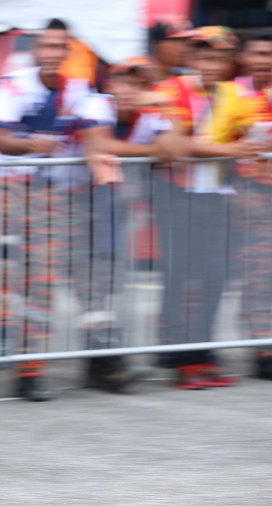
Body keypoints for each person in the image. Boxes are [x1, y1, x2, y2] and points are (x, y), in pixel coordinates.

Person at [0, 18, 100, 400]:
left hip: (57, 200)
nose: (51, 53)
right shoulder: (12, 84)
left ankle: (32, 369)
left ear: (68, 52)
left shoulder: (79, 89)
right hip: (7, 193)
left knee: (44, 283)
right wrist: (33, 145)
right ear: (35, 50)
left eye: (59, 47)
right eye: (46, 46)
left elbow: (97, 135)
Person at [151, 26, 266, 389]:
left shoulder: (235, 95)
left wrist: (250, 140)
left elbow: (257, 132)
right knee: (182, 275)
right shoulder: (170, 90)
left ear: (230, 62)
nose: (210, 64)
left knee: (215, 277)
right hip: (175, 195)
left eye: (217, 58)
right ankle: (183, 357)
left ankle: (202, 352)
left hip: (215, 196)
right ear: (191, 58)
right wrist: (231, 149)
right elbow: (174, 146)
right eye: (203, 57)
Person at [77, 57, 184, 391]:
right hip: (75, 204)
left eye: (136, 84)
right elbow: (100, 145)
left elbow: (175, 149)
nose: (127, 90)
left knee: (109, 286)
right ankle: (106, 365)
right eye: (121, 82)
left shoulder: (151, 112)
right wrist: (152, 148)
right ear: (109, 85)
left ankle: (107, 364)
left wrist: (168, 110)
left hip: (110, 207)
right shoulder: (94, 103)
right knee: (96, 285)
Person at [210, 30, 272, 380]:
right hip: (247, 195)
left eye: (270, 54)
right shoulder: (230, 93)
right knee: (258, 273)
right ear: (244, 59)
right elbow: (213, 140)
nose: (265, 60)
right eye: (258, 53)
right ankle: (263, 347)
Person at [148, 16, 194, 82]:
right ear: (157, 44)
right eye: (176, 41)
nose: (185, 47)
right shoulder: (140, 77)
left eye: (188, 41)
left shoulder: (195, 78)